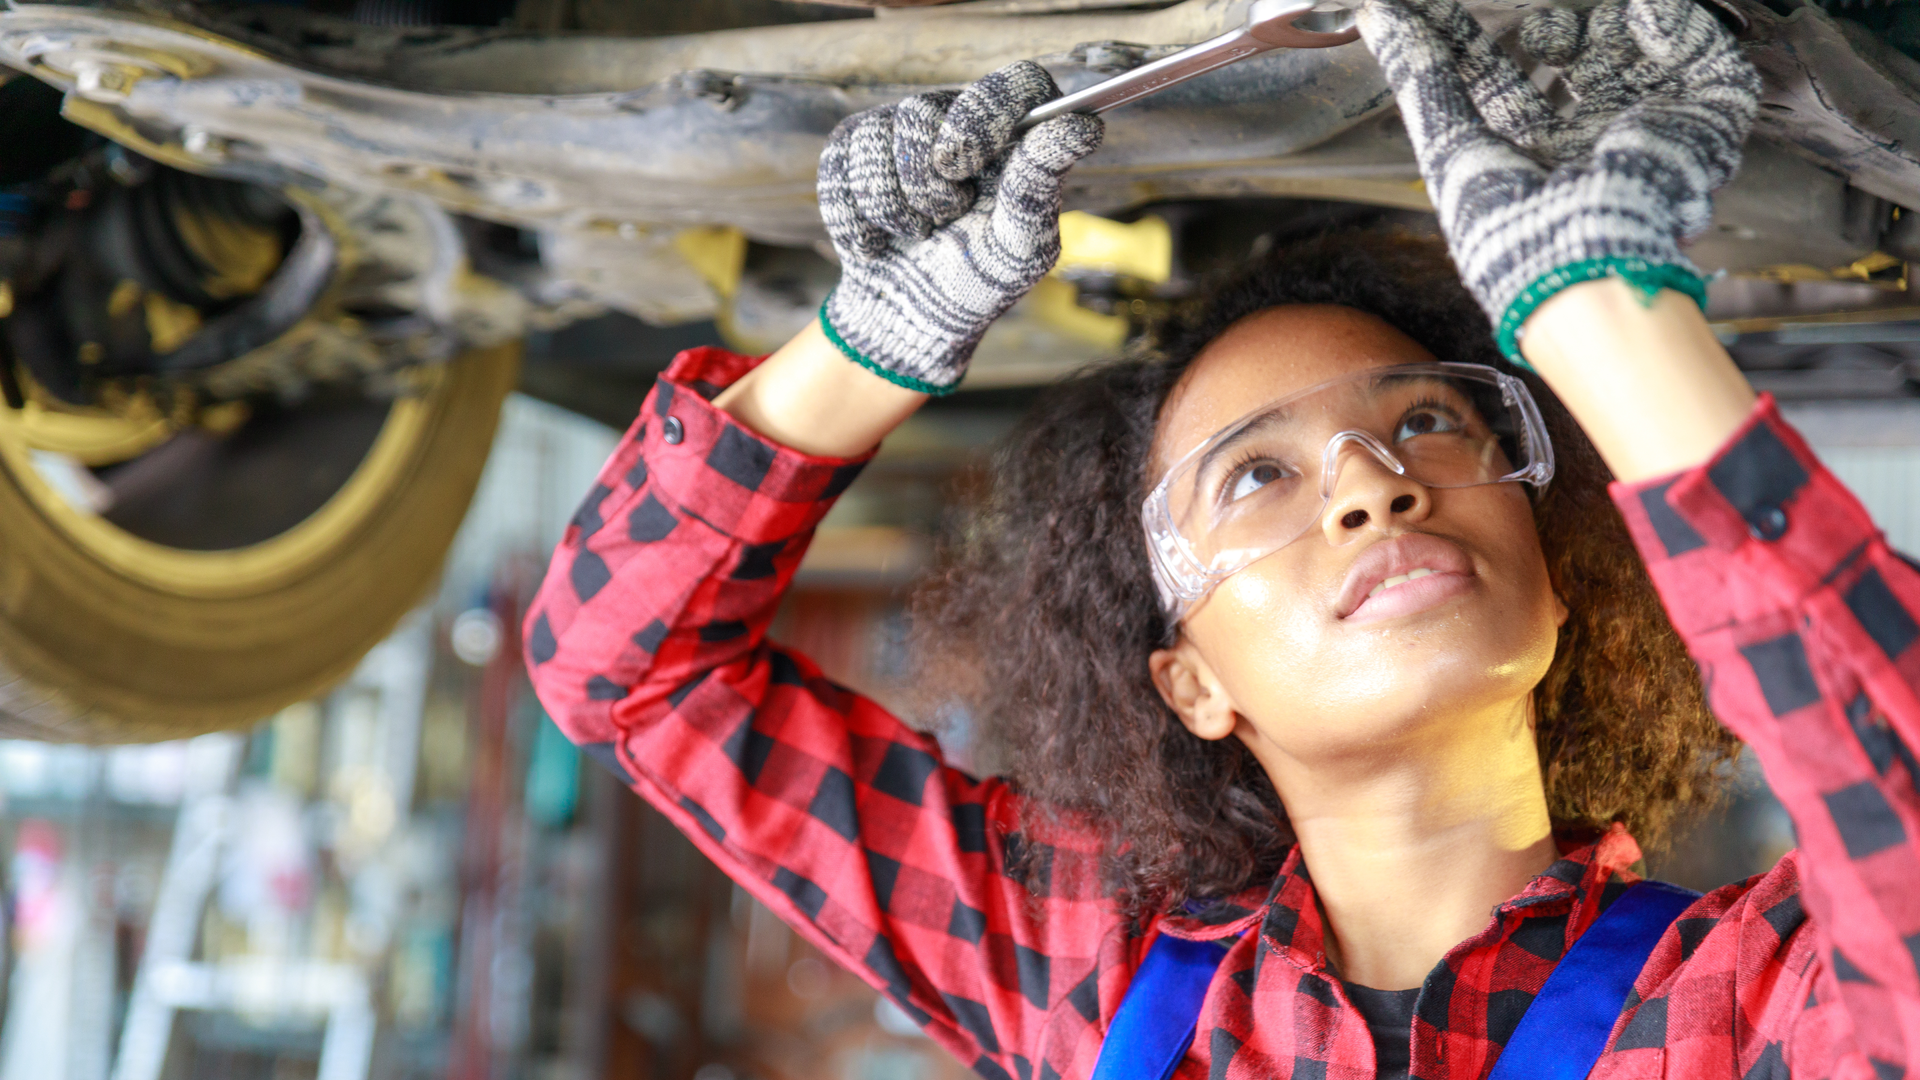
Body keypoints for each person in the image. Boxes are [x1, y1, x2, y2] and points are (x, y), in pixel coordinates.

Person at [526, 0, 1920, 1075]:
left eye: (1428, 423)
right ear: (1192, 680)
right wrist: (861, 345)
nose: (1373, 489)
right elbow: (626, 674)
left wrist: (1600, 312)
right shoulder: (1092, 980)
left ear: (1557, 577)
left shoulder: (1763, 1003)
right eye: (1257, 475)